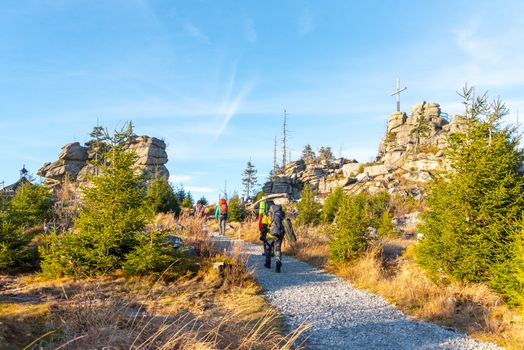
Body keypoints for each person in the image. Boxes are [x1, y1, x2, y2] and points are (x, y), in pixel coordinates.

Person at [264, 204, 285, 273]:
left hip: (270, 235)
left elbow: (264, 227)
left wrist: (263, 235)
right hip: (279, 235)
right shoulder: (281, 214)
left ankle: (268, 264)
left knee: (268, 249)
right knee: (277, 249)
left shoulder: (267, 215)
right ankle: (278, 262)